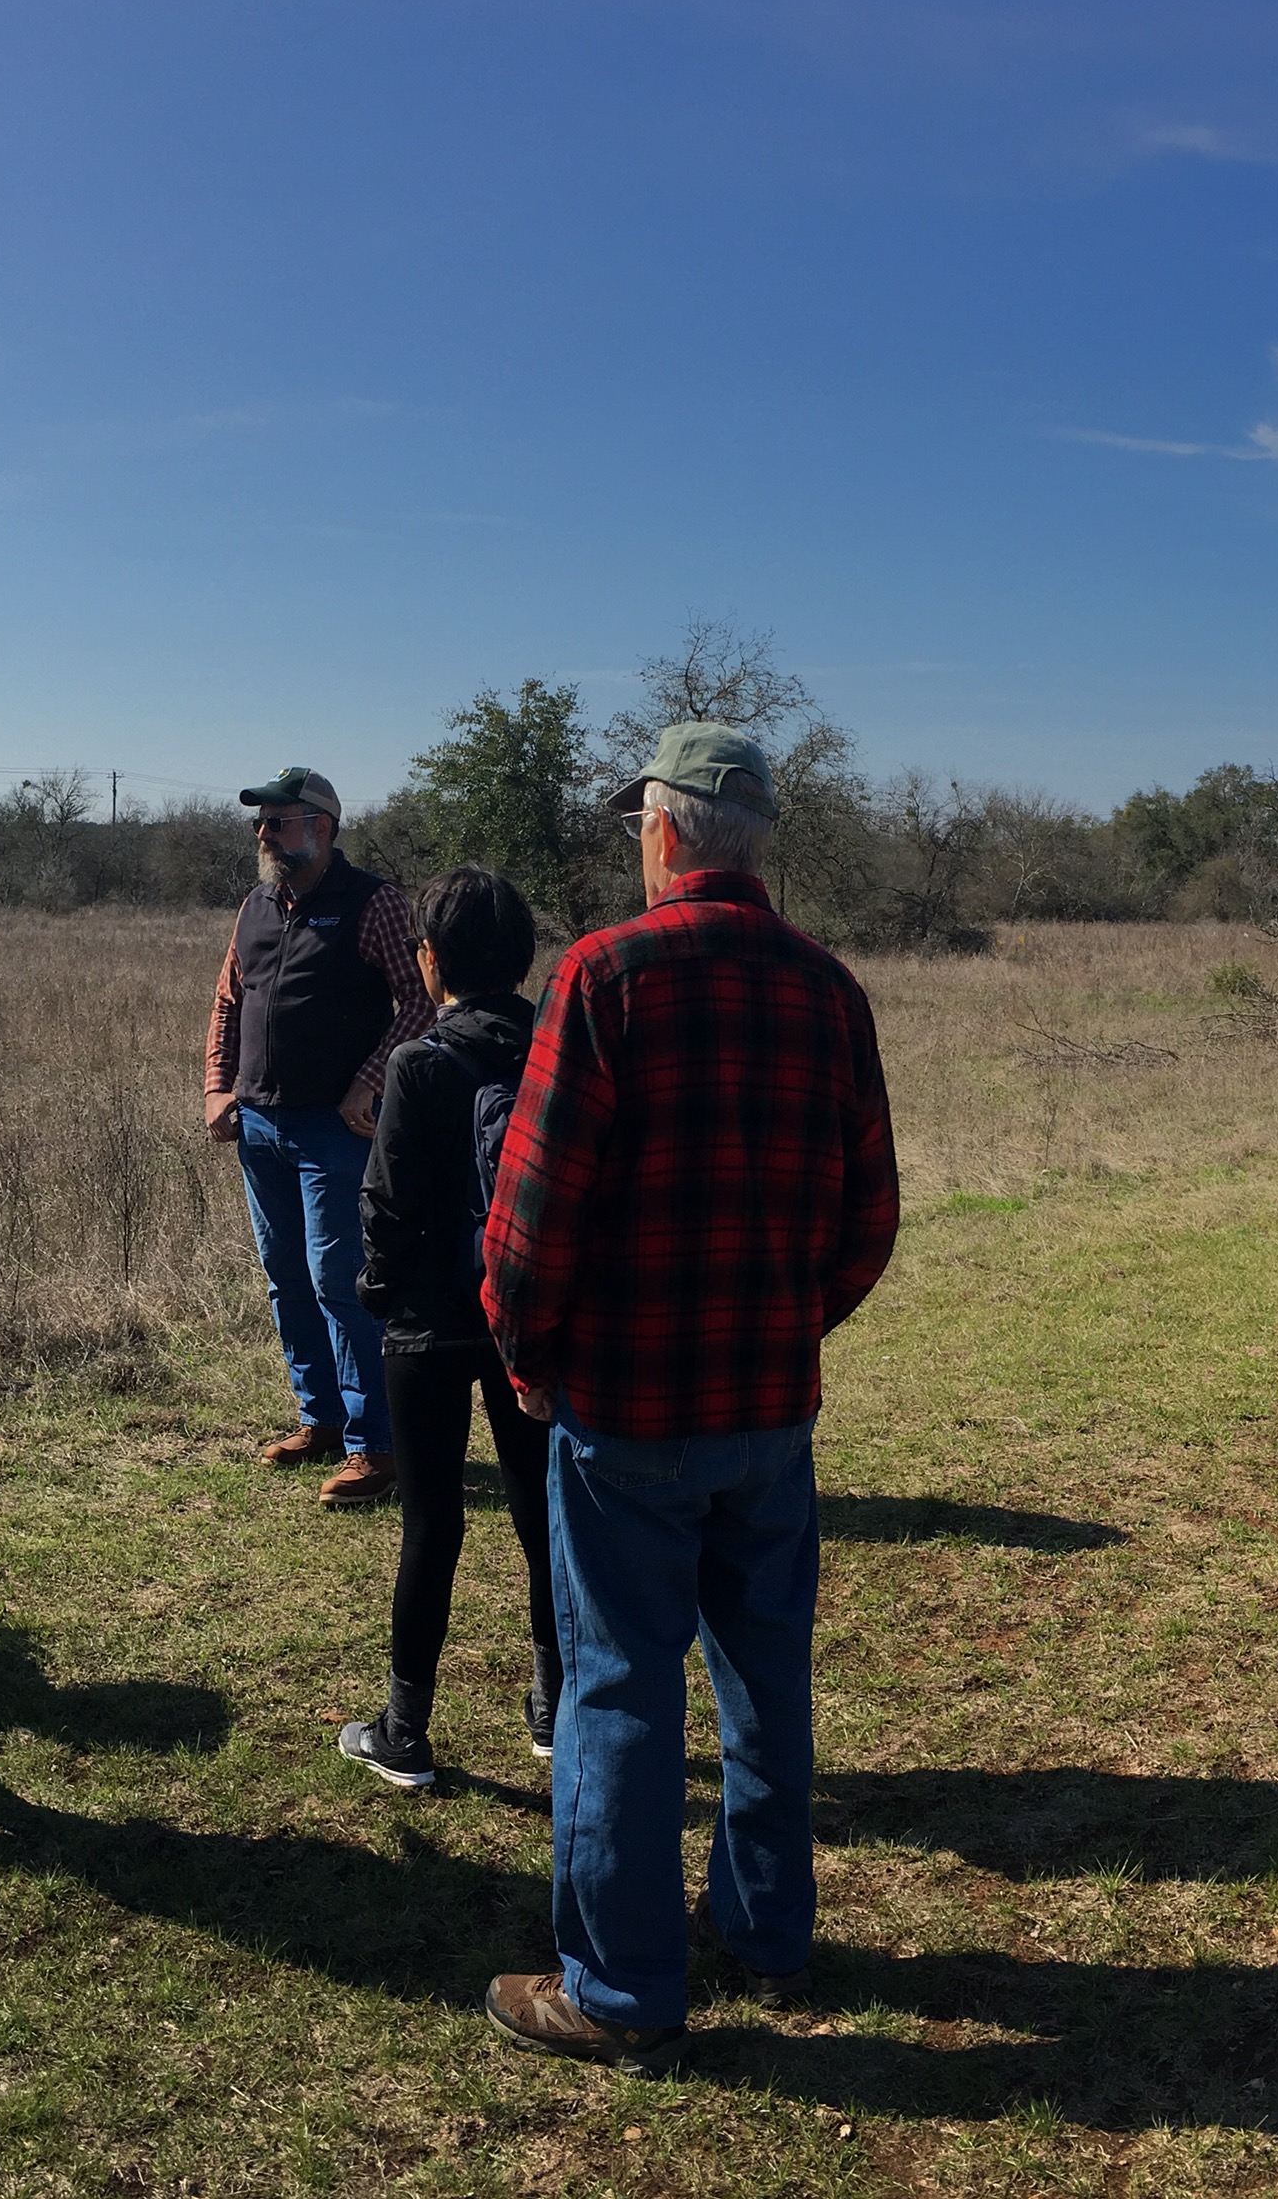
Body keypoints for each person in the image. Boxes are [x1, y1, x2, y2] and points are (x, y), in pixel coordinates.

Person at [475, 721, 898, 2073]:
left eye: (636, 826)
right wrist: (791, 1323)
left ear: (660, 831)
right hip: (767, 1409)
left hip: (625, 1412)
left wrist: (528, 1358)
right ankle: (768, 1931)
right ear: (754, 841)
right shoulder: (830, 992)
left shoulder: (603, 976)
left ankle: (619, 1988)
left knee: (617, 1689)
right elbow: (870, 1218)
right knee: (766, 1676)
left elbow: (530, 1219)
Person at [334, 865, 566, 1792]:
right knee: (542, 1513)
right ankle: (553, 1707)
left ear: (430, 961)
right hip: (528, 1316)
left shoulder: (418, 1062)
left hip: (428, 1325)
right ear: (525, 959)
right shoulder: (555, 1051)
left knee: (431, 1523)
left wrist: (381, 1292)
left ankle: (404, 1729)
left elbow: (385, 1202)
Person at [198, 766, 432, 1503]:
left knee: (340, 1280)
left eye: (278, 821)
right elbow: (228, 1001)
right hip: (259, 1123)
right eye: (260, 822)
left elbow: (420, 1002)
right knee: (287, 1278)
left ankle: (376, 1446)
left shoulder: (373, 902)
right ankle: (321, 1420)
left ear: (322, 827)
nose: (263, 833)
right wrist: (217, 1085)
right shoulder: (257, 904)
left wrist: (369, 1078)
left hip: (337, 1129)